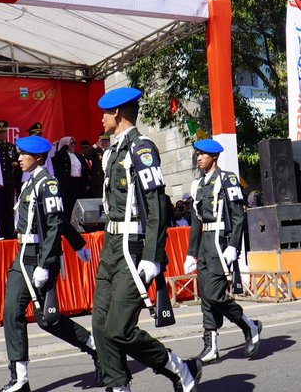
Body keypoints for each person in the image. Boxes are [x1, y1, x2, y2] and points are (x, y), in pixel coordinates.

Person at [91, 87, 202, 392]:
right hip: (111, 247)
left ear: (117, 113)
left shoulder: (142, 149)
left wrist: (153, 256)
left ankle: (179, 368)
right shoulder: (112, 151)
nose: (101, 118)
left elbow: (156, 205)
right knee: (100, 325)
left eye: (105, 113)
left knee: (119, 329)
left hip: (133, 247)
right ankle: (118, 386)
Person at [0, 135, 102, 392]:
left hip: (39, 256)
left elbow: (56, 223)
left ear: (39, 158)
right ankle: (20, 378)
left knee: (48, 320)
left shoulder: (48, 184)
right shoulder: (28, 184)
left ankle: (96, 348)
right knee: (11, 312)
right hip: (22, 255)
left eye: (24, 155)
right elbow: (56, 220)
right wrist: (77, 243)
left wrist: (48, 262)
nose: (19, 159)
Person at [184, 139, 261, 365]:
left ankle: (249, 325)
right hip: (205, 246)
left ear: (214, 157)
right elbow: (196, 222)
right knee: (206, 296)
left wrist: (233, 247)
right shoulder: (198, 184)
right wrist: (191, 253)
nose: (198, 158)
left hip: (220, 243)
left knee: (214, 295)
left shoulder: (226, 179)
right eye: (197, 154)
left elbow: (237, 217)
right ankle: (211, 347)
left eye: (203, 155)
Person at [0, 120, 19, 239]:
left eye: (3, 132)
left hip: (9, 180)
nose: (1, 134)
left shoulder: (11, 146)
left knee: (9, 206)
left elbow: (16, 160)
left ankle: (10, 230)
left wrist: (15, 163)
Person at [52, 136, 91, 219]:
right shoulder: (61, 155)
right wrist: (65, 147)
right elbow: (57, 159)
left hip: (79, 183)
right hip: (68, 184)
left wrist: (87, 183)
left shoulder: (78, 156)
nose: (73, 145)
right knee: (69, 205)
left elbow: (85, 170)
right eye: (70, 143)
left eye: (74, 143)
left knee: (79, 204)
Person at [88, 133, 110, 198]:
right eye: (102, 140)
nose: (105, 142)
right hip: (99, 181)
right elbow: (87, 156)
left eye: (106, 140)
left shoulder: (111, 150)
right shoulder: (96, 150)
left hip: (109, 179)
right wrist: (96, 145)